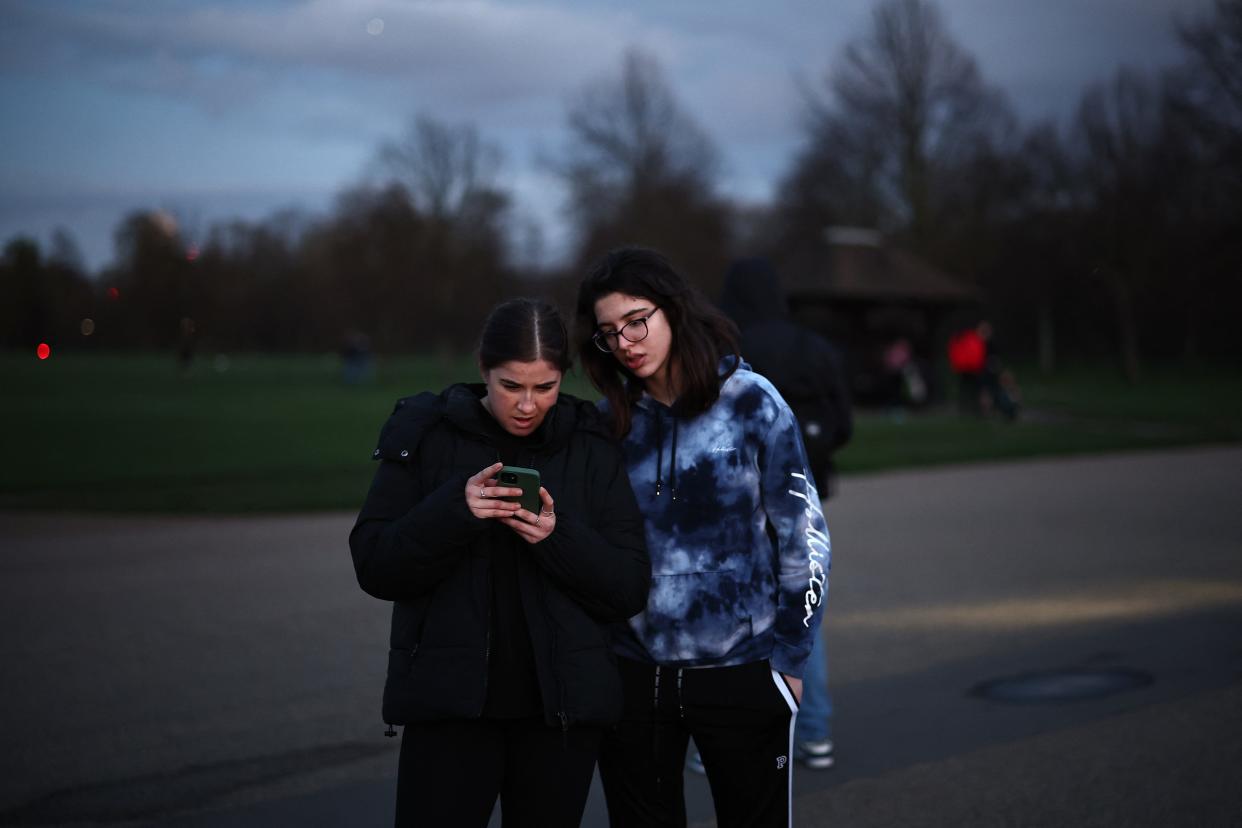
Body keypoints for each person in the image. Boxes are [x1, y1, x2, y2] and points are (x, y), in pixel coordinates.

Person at [349, 298, 651, 828]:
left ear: (563, 377)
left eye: (546, 386)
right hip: (450, 714)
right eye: (511, 385)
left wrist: (556, 537)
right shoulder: (424, 434)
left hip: (561, 720)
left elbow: (629, 587)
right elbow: (375, 565)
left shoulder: (591, 444)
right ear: (482, 369)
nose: (528, 405)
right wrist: (454, 511)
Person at [576, 248, 831, 827]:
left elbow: (806, 537)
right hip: (636, 678)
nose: (625, 342)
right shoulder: (607, 423)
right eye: (608, 333)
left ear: (672, 310)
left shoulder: (751, 402)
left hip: (743, 669)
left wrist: (790, 659)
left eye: (636, 320)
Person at [717, 257, 853, 772]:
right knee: (802, 611)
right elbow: (843, 422)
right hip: (803, 496)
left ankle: (725, 742)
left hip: (739, 503)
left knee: (732, 618)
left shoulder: (725, 352)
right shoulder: (813, 346)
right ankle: (814, 731)